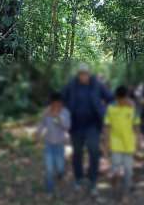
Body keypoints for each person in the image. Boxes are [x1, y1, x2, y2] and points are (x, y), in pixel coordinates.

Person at [62, 63, 113, 195]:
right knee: (77, 152)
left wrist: (106, 111)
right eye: (81, 74)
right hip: (76, 125)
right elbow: (61, 99)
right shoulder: (71, 85)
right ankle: (79, 178)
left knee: (94, 151)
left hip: (93, 125)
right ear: (78, 74)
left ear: (89, 74)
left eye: (85, 73)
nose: (83, 76)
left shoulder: (97, 84)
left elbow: (110, 98)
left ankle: (92, 179)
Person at [104, 86, 140, 200]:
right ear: (116, 98)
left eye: (124, 99)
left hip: (129, 144)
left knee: (128, 170)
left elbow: (136, 126)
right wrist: (106, 142)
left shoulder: (133, 108)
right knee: (115, 169)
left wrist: (138, 141)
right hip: (115, 144)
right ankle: (115, 189)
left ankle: (125, 194)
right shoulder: (110, 108)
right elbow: (107, 126)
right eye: (120, 100)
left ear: (127, 97)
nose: (122, 102)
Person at [35, 92, 71, 194]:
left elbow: (67, 126)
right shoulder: (46, 112)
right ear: (50, 104)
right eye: (53, 104)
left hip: (60, 144)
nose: (56, 107)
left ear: (61, 104)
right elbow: (41, 123)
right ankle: (49, 186)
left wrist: (58, 117)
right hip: (49, 143)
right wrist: (38, 134)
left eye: (58, 104)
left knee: (60, 167)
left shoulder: (65, 112)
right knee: (49, 167)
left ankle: (60, 173)